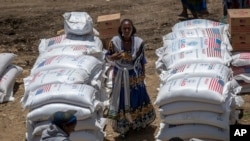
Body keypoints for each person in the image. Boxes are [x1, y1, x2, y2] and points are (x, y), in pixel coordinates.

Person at [105, 19, 156, 138]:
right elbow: (107, 57)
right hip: (120, 77)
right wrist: (113, 57)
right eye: (124, 28)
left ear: (133, 29)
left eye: (129, 28)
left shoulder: (139, 43)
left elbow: (142, 60)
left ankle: (138, 123)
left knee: (137, 97)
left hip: (135, 76)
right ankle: (124, 126)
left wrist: (143, 73)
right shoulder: (115, 42)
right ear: (121, 30)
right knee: (122, 100)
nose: (127, 31)